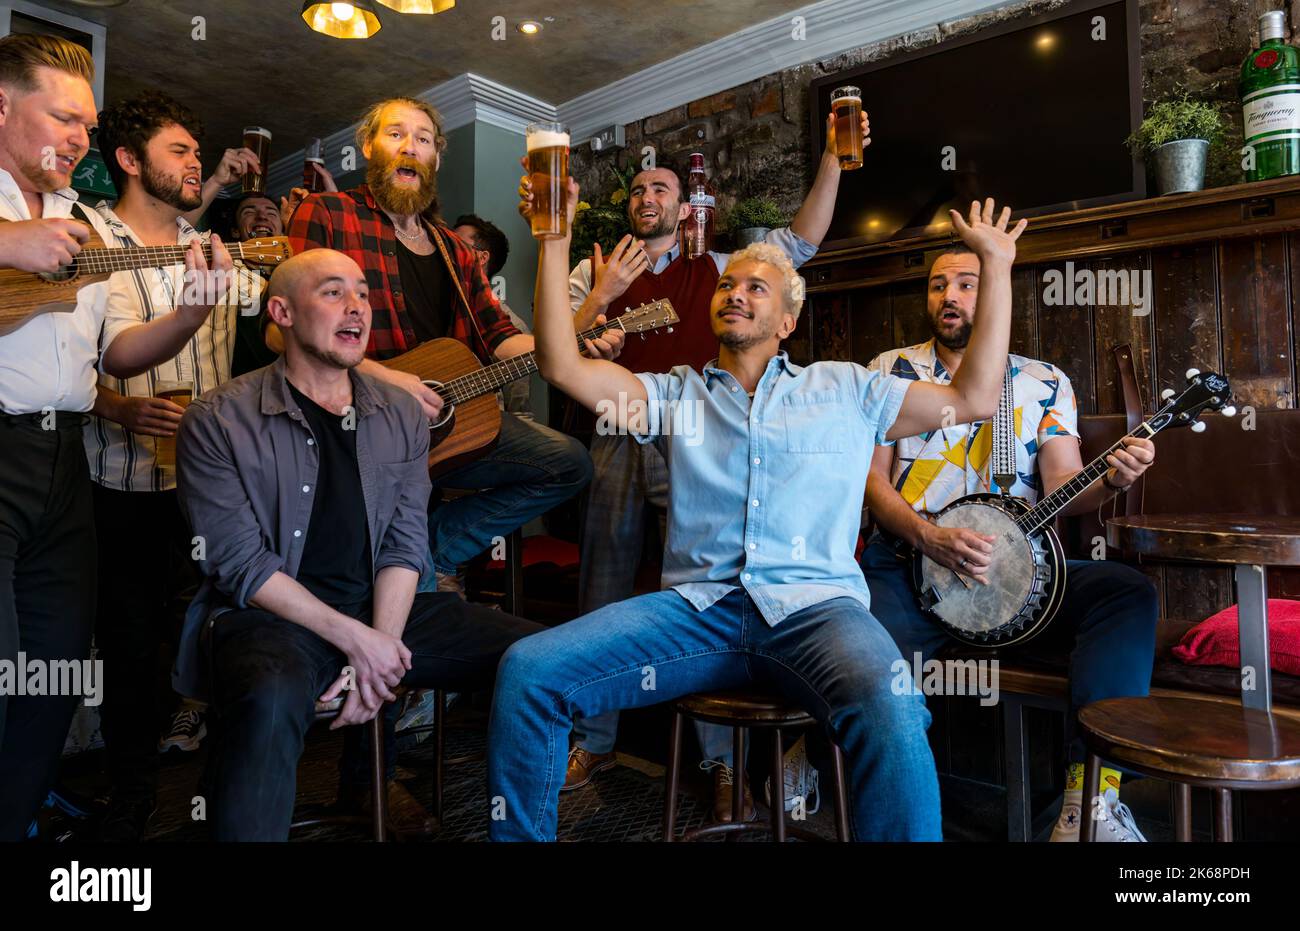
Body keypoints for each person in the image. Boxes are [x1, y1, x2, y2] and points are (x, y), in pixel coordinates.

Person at [487, 172, 1027, 839]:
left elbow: (974, 397)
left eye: (755, 287)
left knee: (893, 702)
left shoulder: (849, 389)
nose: (734, 293)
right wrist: (552, 239)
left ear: (788, 320)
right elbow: (561, 367)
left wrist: (997, 268)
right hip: (696, 614)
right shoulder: (673, 395)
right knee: (529, 670)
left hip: (816, 613)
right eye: (725, 286)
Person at [562, 111, 871, 821]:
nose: (648, 198)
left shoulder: (725, 263)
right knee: (602, 577)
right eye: (638, 189)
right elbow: (562, 353)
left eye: (660, 187)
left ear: (683, 202)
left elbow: (805, 240)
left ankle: (721, 761)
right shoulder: (594, 264)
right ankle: (595, 738)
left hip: (702, 428)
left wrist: (832, 157)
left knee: (713, 580)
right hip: (622, 420)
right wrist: (603, 299)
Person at [174, 249, 542, 840]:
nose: (356, 309)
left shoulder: (399, 412)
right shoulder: (218, 419)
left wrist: (382, 645)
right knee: (268, 702)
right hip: (268, 618)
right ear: (282, 312)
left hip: (386, 611)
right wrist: (359, 642)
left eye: (364, 294)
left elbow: (404, 541)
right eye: (332, 292)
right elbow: (238, 564)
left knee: (546, 662)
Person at [0, 34, 233, 840]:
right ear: (2, 105)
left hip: (68, 459)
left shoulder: (81, 227)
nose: (77, 138)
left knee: (56, 671)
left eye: (86, 125)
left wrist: (197, 309)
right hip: (13, 453)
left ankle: (23, 817)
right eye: (63, 116)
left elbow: (117, 352)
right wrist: (5, 242)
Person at [858, 242, 1158, 842]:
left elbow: (1064, 489)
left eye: (967, 284)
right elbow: (870, 480)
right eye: (939, 284)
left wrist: (1113, 480)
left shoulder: (1044, 382)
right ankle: (821, 768)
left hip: (1021, 582)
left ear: (997, 291)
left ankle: (1089, 802)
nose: (950, 297)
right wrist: (926, 535)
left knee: (1125, 593)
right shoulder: (889, 370)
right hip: (911, 566)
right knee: (850, 649)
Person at [285, 97, 623, 597]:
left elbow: (501, 338)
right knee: (374, 574)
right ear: (368, 149)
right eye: (395, 134)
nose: (410, 147)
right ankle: (404, 598)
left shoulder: (455, 248)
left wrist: (574, 344)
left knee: (568, 462)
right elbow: (291, 328)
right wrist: (387, 377)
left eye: (423, 139)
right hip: (356, 423)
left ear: (435, 158)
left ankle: (430, 551)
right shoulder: (329, 213)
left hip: (445, 427)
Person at [84, 91, 265, 840]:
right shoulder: (92, 238)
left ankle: (225, 794)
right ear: (129, 161)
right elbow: (89, 355)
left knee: (219, 631)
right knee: (130, 645)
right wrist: (118, 408)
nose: (196, 162)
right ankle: (131, 798)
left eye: (198, 153)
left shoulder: (210, 245)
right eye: (179, 152)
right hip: (120, 484)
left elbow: (274, 302)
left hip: (207, 482)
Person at [453, 213, 532, 419]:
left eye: (457, 244)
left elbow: (518, 411)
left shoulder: (514, 327)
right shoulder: (438, 305)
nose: (448, 250)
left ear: (482, 257)